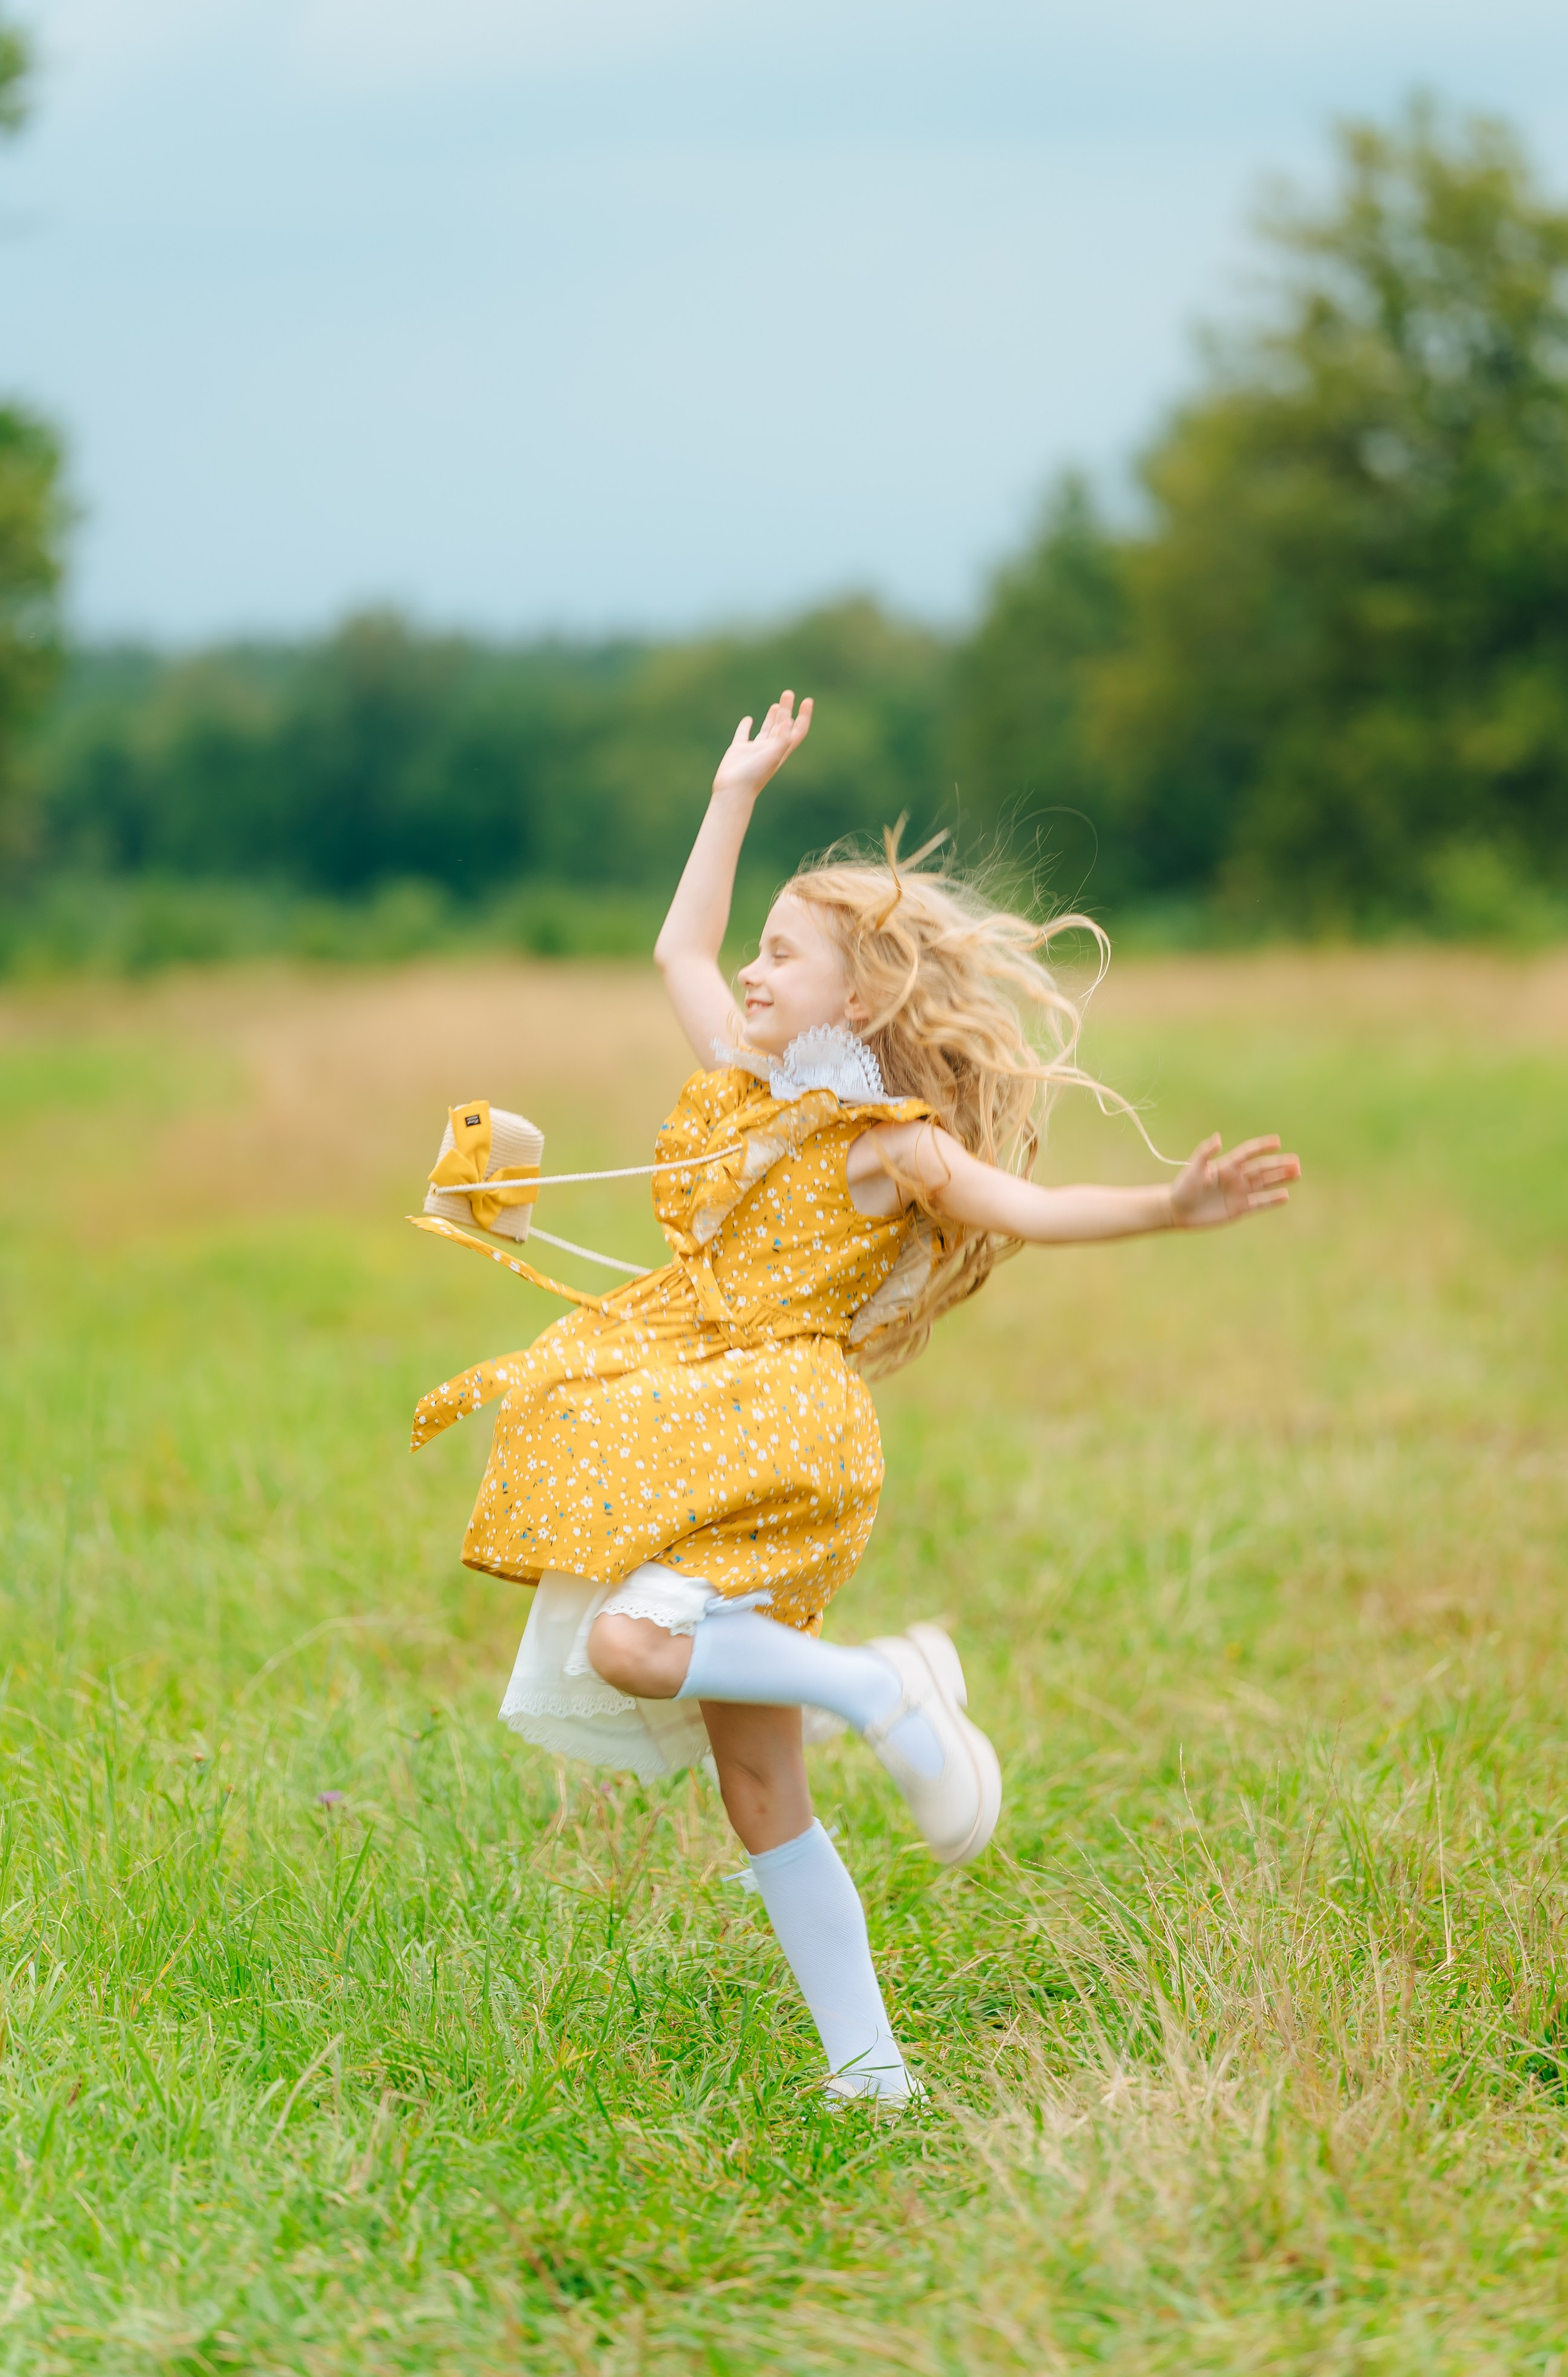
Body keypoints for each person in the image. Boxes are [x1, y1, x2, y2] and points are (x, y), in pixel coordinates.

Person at [411, 692, 1299, 2106]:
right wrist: (733, 793)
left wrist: (1166, 1206)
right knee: (758, 1787)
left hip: (778, 1428)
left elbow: (1030, 1206)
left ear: (861, 998)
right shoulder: (742, 1083)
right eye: (759, 951)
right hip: (693, 1418)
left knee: (635, 1644)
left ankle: (879, 1684)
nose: (748, 970)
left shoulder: (887, 1144)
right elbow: (677, 947)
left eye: (783, 954)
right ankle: (871, 2072)